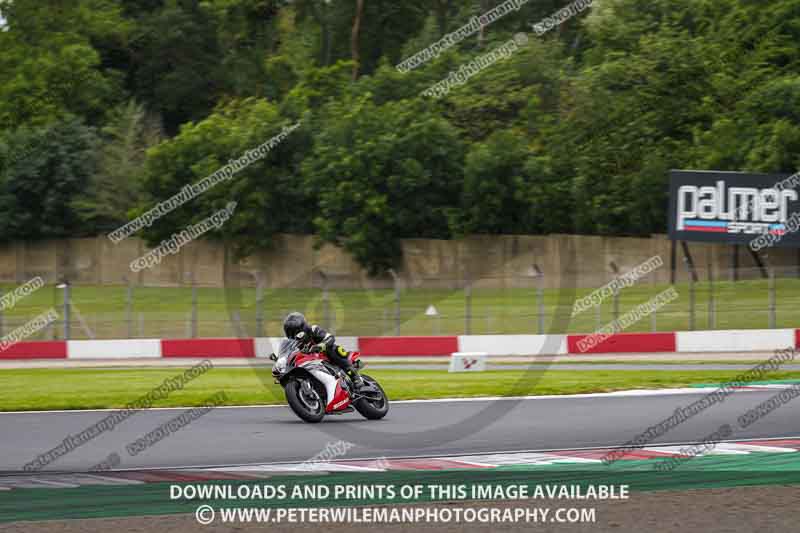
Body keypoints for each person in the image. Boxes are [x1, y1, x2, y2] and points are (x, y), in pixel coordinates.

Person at [282, 312, 365, 389]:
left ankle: (355, 377)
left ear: (302, 327)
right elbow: (289, 353)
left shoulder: (313, 330)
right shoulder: (293, 344)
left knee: (333, 349)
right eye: (289, 332)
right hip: (310, 362)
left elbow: (330, 338)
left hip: (324, 356)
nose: (292, 334)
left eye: (294, 331)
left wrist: (321, 345)